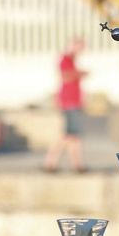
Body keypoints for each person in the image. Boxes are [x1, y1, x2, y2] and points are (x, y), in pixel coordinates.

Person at [44, 38, 87, 173]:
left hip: (74, 102)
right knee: (69, 135)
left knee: (73, 135)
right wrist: (81, 73)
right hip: (69, 102)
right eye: (80, 47)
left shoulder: (72, 60)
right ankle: (51, 162)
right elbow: (66, 77)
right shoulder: (66, 59)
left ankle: (76, 164)